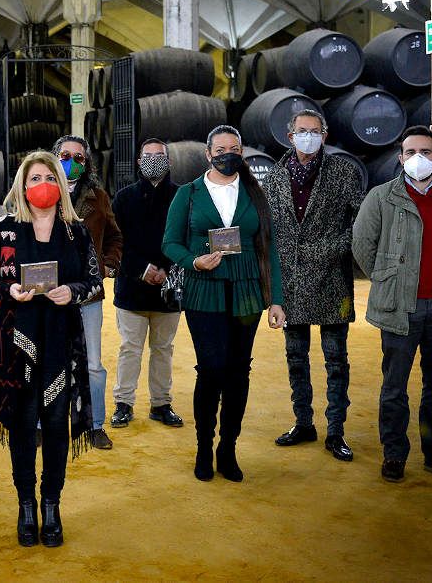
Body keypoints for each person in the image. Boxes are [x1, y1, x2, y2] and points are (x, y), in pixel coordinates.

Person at [0, 150, 102, 548]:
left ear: (60, 184)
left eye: (48, 176)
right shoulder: (3, 229)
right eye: (33, 178)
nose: (41, 183)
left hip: (61, 343)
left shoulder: (75, 231)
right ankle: (25, 503)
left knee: (58, 425)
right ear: (22, 185)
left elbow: (95, 281)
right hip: (16, 342)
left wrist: (74, 291)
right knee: (23, 423)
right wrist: (7, 288)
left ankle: (52, 503)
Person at [162, 124, 285, 483]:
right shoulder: (188, 194)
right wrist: (193, 261)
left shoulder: (254, 193)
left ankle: (227, 448)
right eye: (220, 149)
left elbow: (269, 249)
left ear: (242, 153)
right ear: (208, 154)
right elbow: (170, 243)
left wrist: (276, 299)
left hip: (247, 291)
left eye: (234, 148)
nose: (227, 154)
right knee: (212, 368)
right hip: (204, 291)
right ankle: (204, 445)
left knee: (238, 372)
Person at [352, 126, 432, 483]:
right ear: (400, 157)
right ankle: (394, 454)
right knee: (395, 387)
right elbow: (362, 243)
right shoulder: (381, 197)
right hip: (399, 308)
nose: (419, 158)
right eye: (411, 152)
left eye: (426, 151)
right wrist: (388, 277)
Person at [263, 110, 363, 462]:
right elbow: (268, 232)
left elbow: (361, 224)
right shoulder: (274, 178)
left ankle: (336, 431)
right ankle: (303, 422)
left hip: (333, 280)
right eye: (302, 131)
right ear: (290, 136)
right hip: (290, 284)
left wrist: (328, 249)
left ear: (325, 135)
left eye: (315, 131)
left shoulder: (344, 173)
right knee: (295, 358)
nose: (309, 136)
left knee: (336, 360)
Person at [109, 138, 184, 430]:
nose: (153, 160)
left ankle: (161, 404)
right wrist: (142, 269)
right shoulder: (124, 198)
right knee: (130, 348)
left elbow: (186, 238)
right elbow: (116, 242)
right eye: (148, 155)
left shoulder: (182, 196)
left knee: (164, 348)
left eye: (159, 155)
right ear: (139, 161)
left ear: (168, 160)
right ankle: (123, 403)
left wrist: (166, 270)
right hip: (132, 287)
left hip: (169, 288)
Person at [53, 134, 122, 450]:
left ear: (87, 163)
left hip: (88, 293)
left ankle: (94, 425)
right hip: (48, 293)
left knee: (92, 363)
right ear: (54, 157)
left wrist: (108, 264)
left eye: (78, 157)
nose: (72, 161)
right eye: (66, 155)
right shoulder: (38, 191)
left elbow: (115, 238)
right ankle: (42, 423)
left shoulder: (98, 197)